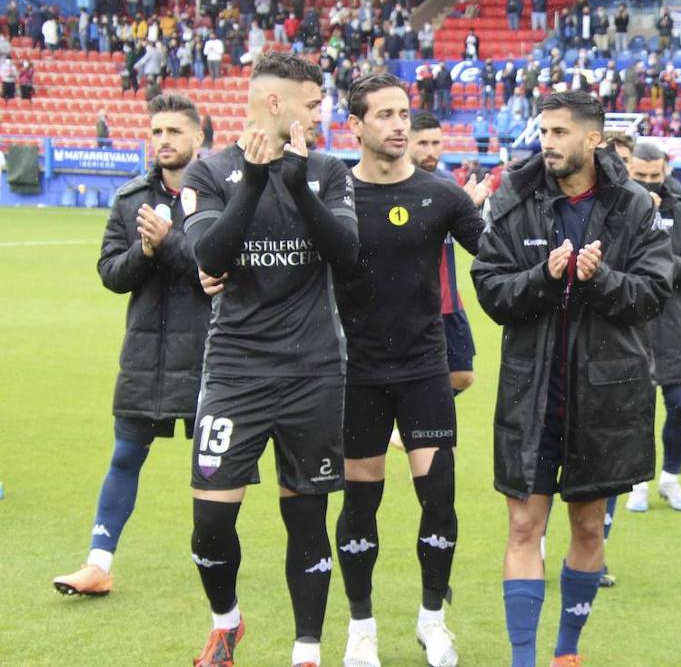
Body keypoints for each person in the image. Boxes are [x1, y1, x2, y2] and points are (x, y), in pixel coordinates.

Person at [470, 91, 673, 667]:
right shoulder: (514, 198)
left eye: (560, 132)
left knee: (587, 528)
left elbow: (654, 294)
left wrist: (601, 278)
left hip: (605, 394)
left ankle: (566, 652)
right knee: (523, 525)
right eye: (544, 131)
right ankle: (522, 659)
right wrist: (543, 275)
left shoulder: (635, 206)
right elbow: (490, 288)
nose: (548, 143)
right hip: (531, 390)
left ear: (594, 139)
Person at [180, 53, 359, 667]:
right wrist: (256, 178)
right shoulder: (208, 172)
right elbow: (209, 254)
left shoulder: (329, 170)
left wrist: (295, 177)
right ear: (276, 104)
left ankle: (306, 649)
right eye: (313, 101)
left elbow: (346, 251)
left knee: (308, 521)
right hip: (235, 371)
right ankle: (227, 623)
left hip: (313, 372)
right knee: (209, 524)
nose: (323, 111)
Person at [329, 77, 485, 667]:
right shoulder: (332, 194)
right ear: (357, 126)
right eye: (386, 115)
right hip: (355, 375)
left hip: (425, 369)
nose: (399, 125)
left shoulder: (443, 195)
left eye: (404, 114)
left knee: (438, 500)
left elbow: (492, 253)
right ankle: (361, 628)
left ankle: (431, 621)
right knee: (359, 505)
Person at [51, 95, 208, 599]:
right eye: (157, 131)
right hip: (147, 354)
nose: (164, 140)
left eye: (175, 132)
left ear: (198, 138)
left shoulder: (223, 197)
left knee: (213, 468)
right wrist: (144, 251)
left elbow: (220, 273)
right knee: (125, 455)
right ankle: (98, 563)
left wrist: (169, 243)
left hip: (214, 353)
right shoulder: (128, 199)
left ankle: (213, 550)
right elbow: (111, 274)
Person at [625, 142, 681, 513]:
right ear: (628, 171)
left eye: (654, 177)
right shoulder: (615, 212)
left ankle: (671, 478)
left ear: (665, 172)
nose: (648, 184)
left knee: (680, 406)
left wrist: (659, 262)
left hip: (675, 327)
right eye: (640, 177)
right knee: (635, 412)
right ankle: (637, 483)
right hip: (628, 328)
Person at [409, 112, 492, 397]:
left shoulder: (446, 184)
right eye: (422, 143)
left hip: (448, 298)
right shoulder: (398, 186)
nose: (430, 150)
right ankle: (419, 427)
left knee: (463, 375)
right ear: (406, 142)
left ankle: (416, 426)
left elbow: (471, 239)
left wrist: (469, 209)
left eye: (436, 143)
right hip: (413, 302)